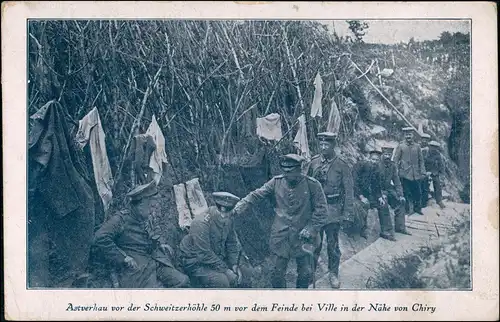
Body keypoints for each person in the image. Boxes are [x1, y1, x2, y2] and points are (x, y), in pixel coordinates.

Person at [232, 154, 328, 289]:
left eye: (291, 171)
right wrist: (242, 204)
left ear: (299, 170)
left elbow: (322, 210)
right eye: (284, 171)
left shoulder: (313, 185)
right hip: (281, 236)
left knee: (305, 273)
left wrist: (311, 228)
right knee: (277, 273)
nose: (287, 175)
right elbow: (257, 194)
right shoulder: (276, 182)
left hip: (304, 237)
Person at [93, 180, 190, 288]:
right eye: (151, 207)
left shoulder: (143, 216)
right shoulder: (121, 219)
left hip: (155, 262)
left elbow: (148, 236)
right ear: (140, 204)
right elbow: (100, 237)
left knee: (183, 281)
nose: (153, 211)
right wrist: (123, 258)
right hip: (138, 270)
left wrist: (160, 245)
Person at [307, 132, 354, 288]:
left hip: (333, 210)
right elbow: (306, 186)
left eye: (327, 144)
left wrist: (347, 213)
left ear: (333, 145)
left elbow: (349, 191)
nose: (323, 147)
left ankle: (333, 273)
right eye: (321, 144)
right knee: (314, 243)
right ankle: (310, 273)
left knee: (332, 245)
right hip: (316, 210)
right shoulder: (314, 163)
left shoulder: (342, 165)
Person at [179, 191, 248, 288]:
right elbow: (204, 254)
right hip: (195, 261)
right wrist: (226, 270)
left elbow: (231, 243)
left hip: (215, 258)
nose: (225, 218)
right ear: (219, 208)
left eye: (228, 214)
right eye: (221, 214)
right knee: (222, 282)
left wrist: (233, 265)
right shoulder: (201, 223)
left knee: (244, 273)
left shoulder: (229, 218)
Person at [393, 127, 426, 216]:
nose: (408, 136)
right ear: (404, 135)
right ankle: (407, 210)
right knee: (406, 192)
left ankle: (417, 208)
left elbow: (421, 160)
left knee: (418, 192)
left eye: (410, 134)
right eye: (406, 135)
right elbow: (396, 160)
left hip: (416, 174)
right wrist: (395, 172)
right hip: (404, 173)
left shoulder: (417, 146)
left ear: (413, 135)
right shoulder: (401, 146)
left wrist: (423, 172)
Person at [380, 146, 411, 235]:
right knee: (383, 203)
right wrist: (381, 194)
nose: (387, 157)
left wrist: (400, 194)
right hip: (378, 190)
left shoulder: (392, 166)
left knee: (401, 202)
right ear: (382, 154)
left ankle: (400, 227)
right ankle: (386, 230)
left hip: (388, 189)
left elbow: (397, 181)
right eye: (385, 154)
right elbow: (374, 182)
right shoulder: (377, 165)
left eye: (389, 154)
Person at [425, 141, 446, 209]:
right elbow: (422, 163)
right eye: (432, 146)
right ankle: (424, 200)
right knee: (424, 185)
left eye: (435, 147)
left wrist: (441, 174)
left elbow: (441, 165)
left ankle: (439, 200)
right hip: (425, 172)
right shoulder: (425, 153)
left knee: (437, 185)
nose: (433, 148)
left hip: (434, 173)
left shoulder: (438, 155)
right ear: (429, 146)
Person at [419, 133, 432, 207]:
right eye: (423, 139)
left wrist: (429, 171)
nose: (424, 141)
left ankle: (424, 203)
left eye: (426, 140)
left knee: (425, 187)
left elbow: (431, 162)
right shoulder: (417, 147)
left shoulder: (429, 150)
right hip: (417, 170)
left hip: (426, 171)